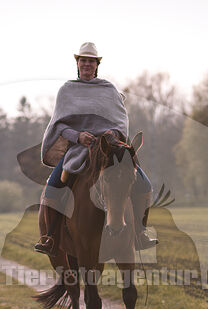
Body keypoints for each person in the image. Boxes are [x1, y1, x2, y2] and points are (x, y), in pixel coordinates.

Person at [34, 42, 158, 256]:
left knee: (144, 184)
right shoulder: (67, 90)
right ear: (77, 62)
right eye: (83, 60)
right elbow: (59, 124)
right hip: (77, 151)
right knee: (53, 186)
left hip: (109, 151)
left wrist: (111, 136)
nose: (87, 64)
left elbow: (121, 121)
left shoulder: (108, 89)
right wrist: (78, 136)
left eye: (91, 60)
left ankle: (140, 233)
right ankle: (50, 238)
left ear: (97, 64)